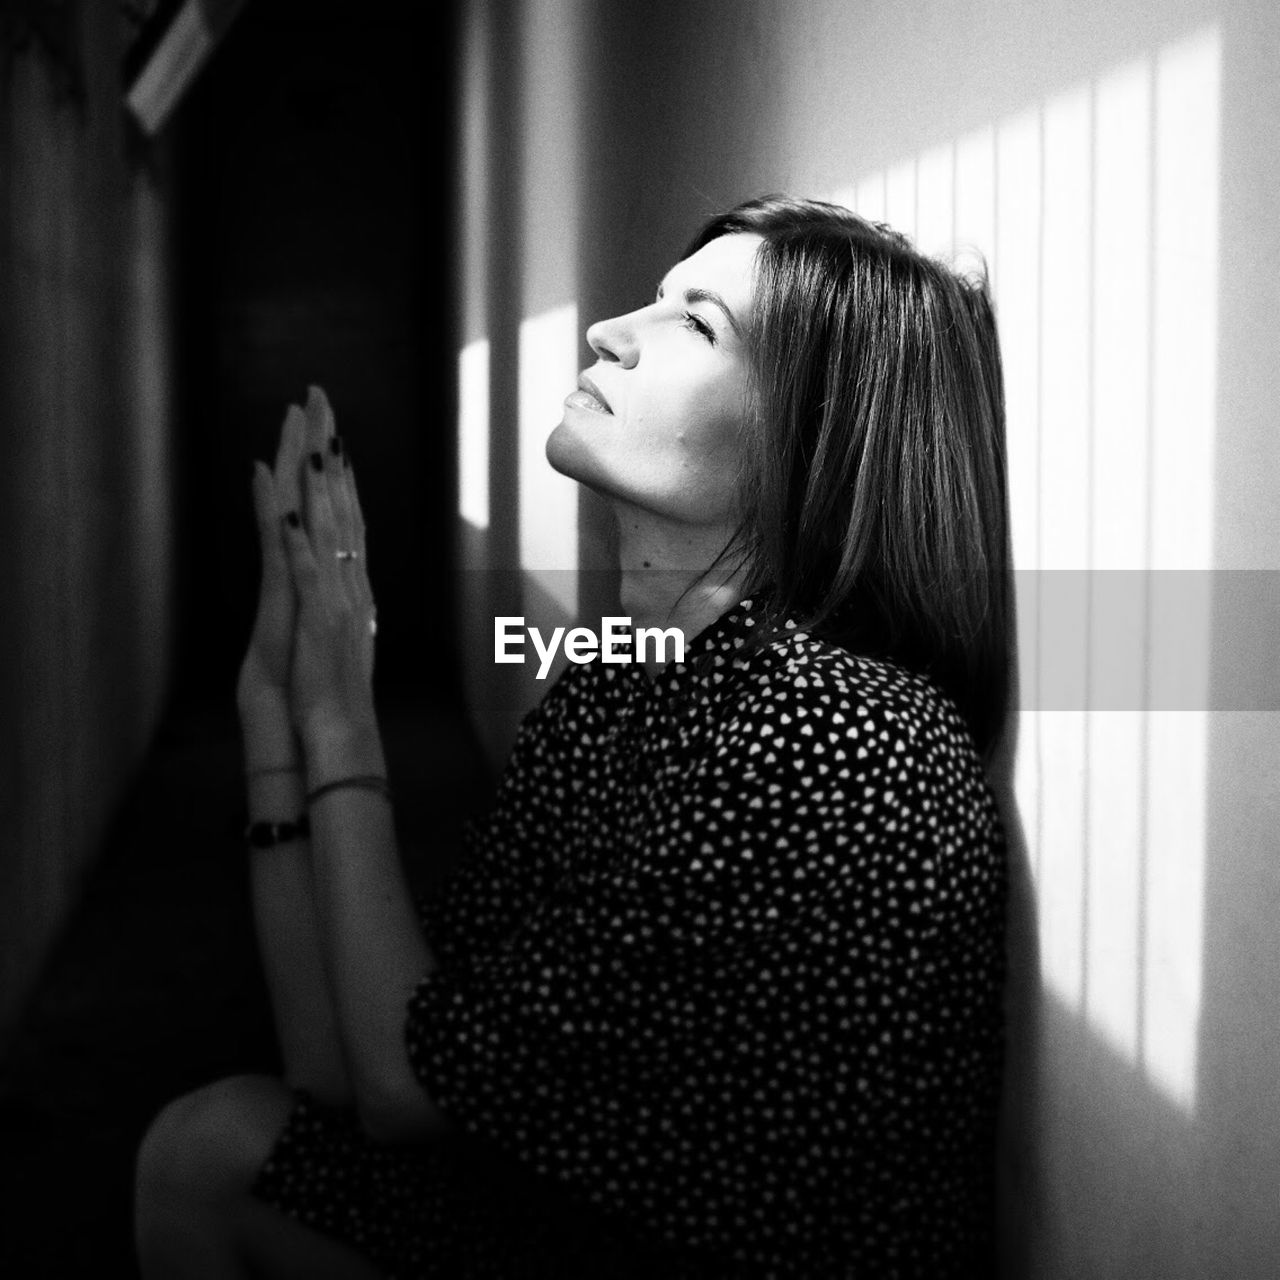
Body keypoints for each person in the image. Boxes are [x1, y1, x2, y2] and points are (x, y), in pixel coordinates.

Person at [134, 195, 1011, 1278]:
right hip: (575, 1216)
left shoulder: (832, 730)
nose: (609, 330)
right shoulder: (625, 677)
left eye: (695, 324)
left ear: (811, 444)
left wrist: (338, 714)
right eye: (654, 298)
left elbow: (405, 1087)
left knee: (215, 1150)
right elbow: (349, 1067)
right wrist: (280, 715)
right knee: (208, 1148)